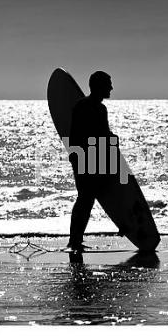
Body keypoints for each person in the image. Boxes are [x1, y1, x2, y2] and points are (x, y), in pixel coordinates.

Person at [67, 71, 118, 251]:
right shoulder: (82, 106)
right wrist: (75, 157)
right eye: (108, 84)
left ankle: (76, 240)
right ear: (98, 86)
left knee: (88, 199)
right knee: (85, 199)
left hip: (98, 160)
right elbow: (75, 135)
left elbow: (103, 134)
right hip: (84, 159)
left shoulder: (101, 109)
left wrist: (113, 140)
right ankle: (74, 241)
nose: (111, 88)